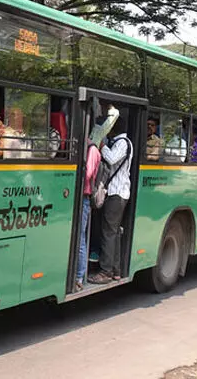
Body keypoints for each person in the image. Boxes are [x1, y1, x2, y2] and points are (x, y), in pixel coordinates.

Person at [76, 105, 119, 291]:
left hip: (85, 199)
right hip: (78, 199)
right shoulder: (82, 146)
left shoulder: (92, 150)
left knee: (80, 238)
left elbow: (86, 176)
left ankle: (79, 275)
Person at [88, 119, 132, 284]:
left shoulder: (123, 142)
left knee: (108, 232)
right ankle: (115, 270)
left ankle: (106, 272)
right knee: (113, 232)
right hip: (115, 193)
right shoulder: (117, 141)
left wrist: (100, 145)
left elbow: (112, 159)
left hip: (117, 193)